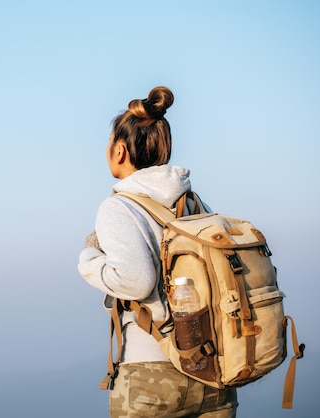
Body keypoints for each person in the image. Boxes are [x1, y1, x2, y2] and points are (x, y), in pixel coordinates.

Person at [77, 86, 238, 418]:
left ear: (119, 150)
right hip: (214, 374)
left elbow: (136, 281)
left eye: (109, 141)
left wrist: (89, 259)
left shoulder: (118, 207)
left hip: (150, 378)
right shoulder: (194, 203)